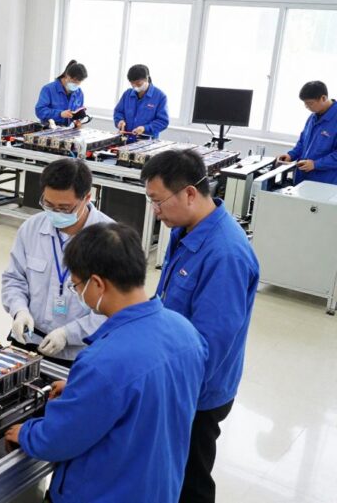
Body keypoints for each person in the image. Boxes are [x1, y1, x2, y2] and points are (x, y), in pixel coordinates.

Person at [4, 223, 207, 503]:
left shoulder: (103, 362)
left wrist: (26, 434)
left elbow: (60, 439)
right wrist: (81, 389)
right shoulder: (186, 333)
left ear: (97, 284)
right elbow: (148, 394)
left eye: (76, 285)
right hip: (159, 488)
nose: (78, 293)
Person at [141, 149, 259, 503]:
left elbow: (211, 345)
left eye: (158, 201)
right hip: (174, 375)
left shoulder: (225, 254)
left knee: (191, 478)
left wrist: (171, 391)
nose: (155, 211)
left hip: (197, 392)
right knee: (168, 469)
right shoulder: (185, 228)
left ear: (190, 193)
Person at [1, 158, 113, 366]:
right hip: (29, 339)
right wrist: (19, 310)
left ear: (87, 197)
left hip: (80, 353)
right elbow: (13, 278)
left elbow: (113, 308)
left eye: (64, 208)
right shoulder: (31, 228)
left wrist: (67, 333)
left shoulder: (110, 239)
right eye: (48, 204)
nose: (54, 213)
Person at [277, 80, 337, 185]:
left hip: (324, 182)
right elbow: (302, 142)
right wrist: (290, 155)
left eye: (310, 103)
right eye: (305, 103)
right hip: (302, 179)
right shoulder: (313, 116)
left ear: (323, 98)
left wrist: (315, 164)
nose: (307, 107)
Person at [113, 64, 169, 138]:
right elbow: (118, 112)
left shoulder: (160, 96)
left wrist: (145, 128)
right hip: (126, 139)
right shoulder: (127, 94)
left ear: (147, 78)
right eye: (132, 84)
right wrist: (120, 121)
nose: (135, 86)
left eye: (138, 83)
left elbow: (163, 121)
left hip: (147, 142)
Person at [36, 60, 87, 128]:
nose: (76, 85)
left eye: (79, 83)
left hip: (68, 132)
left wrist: (78, 121)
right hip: (49, 130)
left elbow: (78, 112)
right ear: (67, 76)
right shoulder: (48, 89)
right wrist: (60, 114)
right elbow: (40, 111)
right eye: (74, 82)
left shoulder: (79, 93)